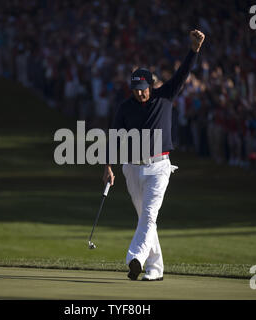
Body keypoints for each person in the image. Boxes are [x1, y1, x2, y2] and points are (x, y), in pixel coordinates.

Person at [102, 30, 205, 281]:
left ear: (151, 85)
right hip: (131, 168)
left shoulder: (165, 95)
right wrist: (107, 166)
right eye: (135, 89)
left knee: (149, 216)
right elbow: (114, 136)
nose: (140, 93)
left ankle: (134, 258)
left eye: (143, 88)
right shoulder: (125, 107)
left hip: (159, 167)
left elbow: (182, 74)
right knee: (145, 219)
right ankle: (156, 269)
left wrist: (194, 49)